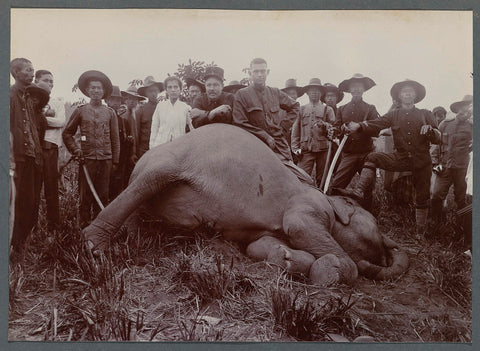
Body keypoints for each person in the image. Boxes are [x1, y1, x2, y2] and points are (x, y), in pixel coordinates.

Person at [340, 79, 441, 236]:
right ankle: (359, 190)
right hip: (401, 158)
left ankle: (420, 233)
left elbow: (438, 138)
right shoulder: (393, 115)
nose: (407, 93)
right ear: (399, 96)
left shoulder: (425, 114)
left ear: (415, 95)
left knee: (422, 196)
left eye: (410, 91)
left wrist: (431, 131)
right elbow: (376, 124)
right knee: (373, 157)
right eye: (404, 91)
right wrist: (359, 126)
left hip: (422, 161)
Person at [233, 58, 312, 184]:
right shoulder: (241, 95)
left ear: (267, 72)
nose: (259, 75)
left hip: (279, 147)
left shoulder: (275, 92)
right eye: (256, 71)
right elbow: (239, 123)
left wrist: (283, 126)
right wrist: (264, 136)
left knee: (302, 180)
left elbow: (295, 106)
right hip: (254, 148)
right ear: (250, 73)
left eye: (262, 71)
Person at [62, 70, 120, 229]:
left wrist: (115, 161)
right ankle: (84, 226)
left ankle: (99, 226)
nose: (95, 91)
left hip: (105, 160)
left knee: (103, 194)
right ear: (87, 91)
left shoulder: (110, 113)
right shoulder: (80, 110)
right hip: (86, 160)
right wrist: (76, 150)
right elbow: (67, 133)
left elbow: (115, 138)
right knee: (85, 195)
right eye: (92, 88)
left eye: (99, 88)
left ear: (104, 92)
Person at [10, 57, 49, 262]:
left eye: (33, 69)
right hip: (18, 160)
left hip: (34, 158)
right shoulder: (9, 96)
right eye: (28, 70)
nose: (32, 73)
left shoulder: (30, 98)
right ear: (16, 73)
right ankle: (15, 246)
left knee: (32, 202)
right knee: (19, 202)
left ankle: (23, 243)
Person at [328, 73, 380, 210]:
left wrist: (361, 127)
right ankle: (338, 211)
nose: (356, 89)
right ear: (349, 90)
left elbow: (377, 129)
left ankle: (369, 215)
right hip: (349, 154)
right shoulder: (342, 109)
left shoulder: (370, 108)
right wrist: (341, 128)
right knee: (336, 186)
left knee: (367, 189)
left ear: (364, 89)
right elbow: (336, 128)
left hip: (367, 154)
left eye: (359, 87)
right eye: (353, 87)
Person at [430, 95, 473, 223]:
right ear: (456, 110)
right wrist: (434, 162)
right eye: (461, 109)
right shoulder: (445, 124)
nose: (463, 112)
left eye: (466, 109)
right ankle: (436, 224)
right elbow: (436, 144)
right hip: (445, 167)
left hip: (462, 169)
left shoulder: (473, 127)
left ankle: (460, 228)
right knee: (437, 194)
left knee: (461, 199)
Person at [35, 69, 65, 230]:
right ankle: (30, 226)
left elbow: (60, 122)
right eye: (46, 80)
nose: (50, 84)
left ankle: (53, 226)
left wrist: (41, 119)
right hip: (34, 149)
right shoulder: (31, 100)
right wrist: (45, 120)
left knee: (51, 188)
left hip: (51, 149)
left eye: (52, 81)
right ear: (37, 81)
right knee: (33, 189)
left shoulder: (57, 102)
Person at [291, 78, 335, 187]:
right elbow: (296, 130)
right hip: (306, 150)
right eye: (312, 90)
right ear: (307, 93)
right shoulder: (301, 109)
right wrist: (295, 148)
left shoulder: (328, 110)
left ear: (321, 93)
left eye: (317, 90)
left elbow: (334, 130)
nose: (314, 93)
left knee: (323, 182)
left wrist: (326, 126)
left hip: (323, 150)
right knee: (301, 179)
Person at [149, 76, 193, 148]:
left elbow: (192, 129)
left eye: (176, 87)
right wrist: (152, 147)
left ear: (180, 89)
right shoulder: (160, 106)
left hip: (179, 147)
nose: (173, 90)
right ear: (166, 90)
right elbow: (154, 128)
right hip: (160, 146)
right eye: (170, 87)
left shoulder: (186, 107)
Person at [106, 86, 129, 200]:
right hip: (105, 159)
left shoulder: (122, 121)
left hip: (119, 160)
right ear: (107, 100)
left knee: (117, 189)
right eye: (113, 99)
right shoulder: (104, 116)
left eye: (118, 100)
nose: (116, 103)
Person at [121, 85, 146, 183]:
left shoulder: (138, 115)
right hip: (127, 155)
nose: (132, 101)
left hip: (138, 152)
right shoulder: (123, 117)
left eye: (134, 99)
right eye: (129, 99)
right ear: (125, 101)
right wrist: (131, 153)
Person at [136, 76, 163, 159]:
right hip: (145, 150)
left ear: (158, 91)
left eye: (155, 90)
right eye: (150, 91)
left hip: (162, 148)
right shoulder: (140, 111)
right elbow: (137, 134)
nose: (153, 93)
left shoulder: (164, 108)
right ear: (146, 94)